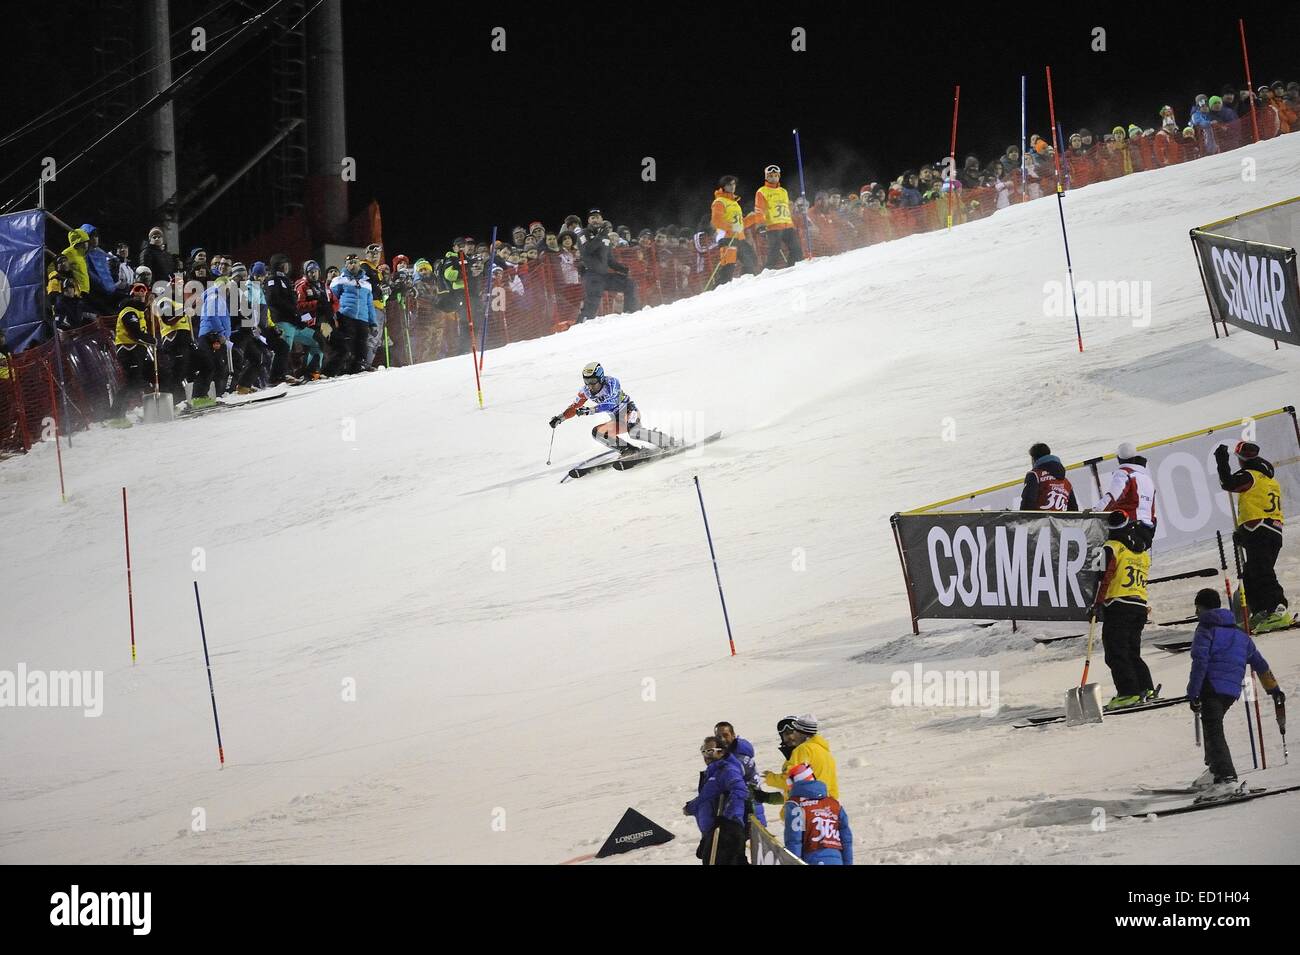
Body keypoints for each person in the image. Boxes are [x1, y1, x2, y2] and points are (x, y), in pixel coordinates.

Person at [1187, 588, 1285, 794]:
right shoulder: (1240, 633)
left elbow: (1200, 662)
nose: (1196, 613)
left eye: (1197, 608)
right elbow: (1259, 663)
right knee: (1211, 724)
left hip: (1211, 685)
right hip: (1231, 690)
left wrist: (1193, 692)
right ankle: (1214, 769)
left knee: (1213, 728)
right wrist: (1273, 688)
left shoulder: (1205, 629)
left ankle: (1226, 777)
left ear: (1201, 608)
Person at [1215, 440, 1290, 632]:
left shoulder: (1250, 475)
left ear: (1240, 460)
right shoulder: (1268, 479)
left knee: (1262, 571)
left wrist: (1222, 461)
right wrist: (1243, 532)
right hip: (1268, 530)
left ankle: (1278, 609)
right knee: (1251, 574)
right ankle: (1261, 611)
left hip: (1260, 529)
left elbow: (1228, 483)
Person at [1091, 510, 1156, 710]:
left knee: (1115, 653)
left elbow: (1104, 577)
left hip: (1118, 604)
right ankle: (1146, 688)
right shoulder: (1141, 551)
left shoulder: (1111, 547)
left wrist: (1097, 603)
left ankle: (1128, 693)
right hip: (1139, 605)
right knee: (1132, 651)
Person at [548, 362, 678, 454]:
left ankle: (666, 441)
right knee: (598, 433)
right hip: (617, 420)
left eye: (593, 381)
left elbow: (611, 403)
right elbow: (574, 407)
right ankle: (629, 450)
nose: (590, 385)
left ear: (601, 378)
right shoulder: (585, 391)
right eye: (586, 381)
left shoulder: (611, 383)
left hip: (629, 411)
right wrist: (560, 418)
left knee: (634, 432)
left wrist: (590, 411)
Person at [683, 736, 748, 865]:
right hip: (713, 832)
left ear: (722, 751)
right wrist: (690, 807)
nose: (706, 755)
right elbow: (705, 799)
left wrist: (727, 820)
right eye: (704, 751)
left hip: (726, 833)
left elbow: (740, 790)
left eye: (710, 751)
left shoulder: (728, 770)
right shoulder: (713, 773)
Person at [761, 714, 839, 814]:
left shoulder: (803, 750)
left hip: (808, 812)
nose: (790, 736)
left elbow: (791, 781)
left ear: (800, 732)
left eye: (793, 731)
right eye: (785, 734)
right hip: (827, 812)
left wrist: (769, 778)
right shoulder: (823, 751)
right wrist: (768, 798)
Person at [782, 763, 853, 865]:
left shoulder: (796, 804)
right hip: (837, 859)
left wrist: (793, 862)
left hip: (812, 858)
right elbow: (846, 839)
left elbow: (794, 839)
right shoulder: (834, 804)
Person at [1096, 441, 1157, 548]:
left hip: (1127, 529)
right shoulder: (1147, 479)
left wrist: (1095, 511)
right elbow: (1152, 510)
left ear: (1118, 458)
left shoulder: (1124, 473)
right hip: (1147, 532)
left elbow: (1112, 497)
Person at [577, 217, 639, 322]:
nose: (595, 220)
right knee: (592, 304)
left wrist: (624, 269)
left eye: (597, 217)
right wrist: (600, 236)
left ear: (601, 220)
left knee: (629, 284)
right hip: (592, 276)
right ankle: (581, 326)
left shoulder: (605, 237)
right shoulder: (584, 233)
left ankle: (630, 314)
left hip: (604, 276)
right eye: (592, 218)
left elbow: (610, 260)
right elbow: (588, 249)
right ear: (588, 220)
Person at [110, 283, 157, 418]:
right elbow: (135, 333)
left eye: (144, 291)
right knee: (132, 382)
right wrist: (151, 340)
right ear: (132, 294)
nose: (141, 293)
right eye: (137, 290)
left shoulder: (140, 311)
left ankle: (162, 405)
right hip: (128, 349)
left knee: (147, 377)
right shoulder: (129, 311)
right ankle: (115, 415)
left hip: (138, 351)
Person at [330, 253, 377, 373]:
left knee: (362, 343)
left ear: (359, 264)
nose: (352, 265)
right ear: (345, 265)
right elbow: (333, 298)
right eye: (349, 263)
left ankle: (360, 366)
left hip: (363, 318)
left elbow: (370, 304)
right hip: (346, 316)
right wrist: (335, 315)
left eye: (355, 262)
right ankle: (345, 368)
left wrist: (373, 322)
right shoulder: (339, 280)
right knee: (348, 342)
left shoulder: (366, 283)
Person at [710, 174, 759, 285]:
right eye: (729, 185)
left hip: (739, 238)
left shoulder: (735, 203)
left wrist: (755, 217)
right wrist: (732, 227)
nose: (732, 187)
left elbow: (741, 224)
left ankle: (746, 283)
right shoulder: (719, 202)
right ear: (723, 186)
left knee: (751, 260)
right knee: (728, 269)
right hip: (727, 239)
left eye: (733, 184)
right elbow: (716, 221)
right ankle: (716, 291)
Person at [714, 721, 765, 826]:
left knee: (752, 838)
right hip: (741, 806)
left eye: (725, 735)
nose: (722, 739)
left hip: (749, 807)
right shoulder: (729, 755)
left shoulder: (739, 758)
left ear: (733, 735)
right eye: (718, 737)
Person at [753, 164, 803, 269]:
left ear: (779, 176)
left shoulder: (783, 191)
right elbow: (759, 209)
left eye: (775, 175)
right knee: (774, 251)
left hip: (787, 225)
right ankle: (768, 271)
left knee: (796, 249)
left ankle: (792, 268)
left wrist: (792, 221)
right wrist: (761, 224)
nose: (773, 178)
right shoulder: (762, 191)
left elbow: (787, 208)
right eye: (770, 176)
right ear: (766, 177)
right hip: (773, 226)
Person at [1020, 442, 1079, 511]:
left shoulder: (1035, 475)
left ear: (1033, 459)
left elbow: (1028, 502)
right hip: (1059, 521)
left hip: (1040, 520)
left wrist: (1020, 519)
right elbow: (1074, 510)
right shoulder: (1066, 482)